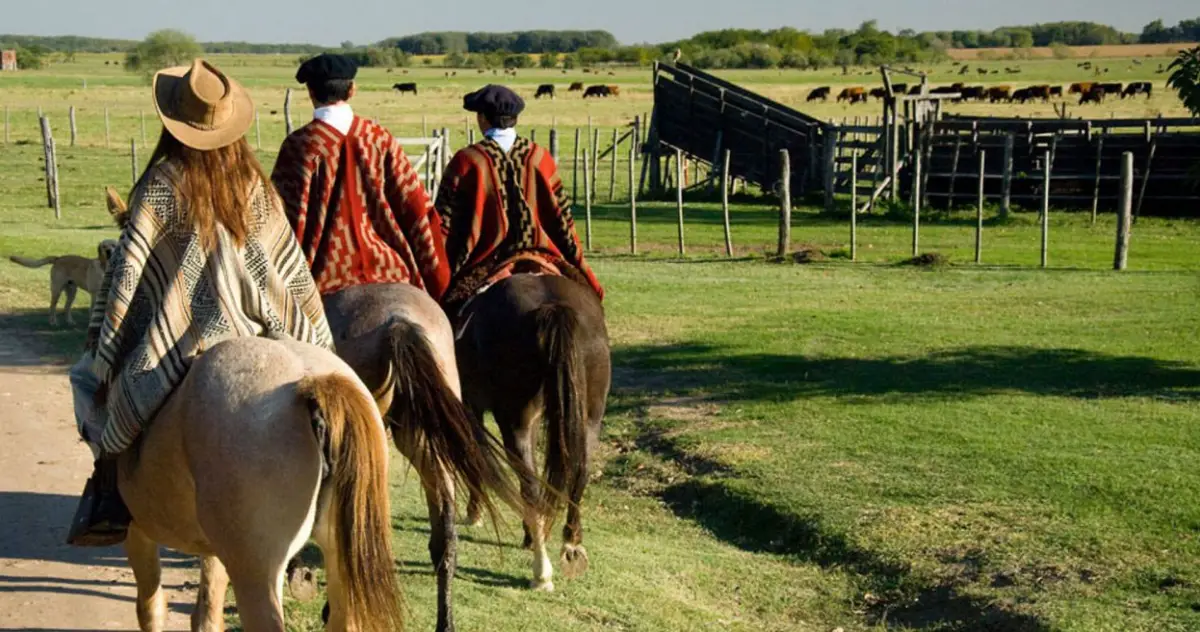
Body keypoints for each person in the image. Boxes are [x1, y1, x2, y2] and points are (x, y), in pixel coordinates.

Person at [67, 59, 334, 547]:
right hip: (259, 326)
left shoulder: (161, 184)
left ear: (175, 123)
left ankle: (107, 493)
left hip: (176, 337)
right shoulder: (254, 185)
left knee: (86, 378)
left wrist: (107, 344)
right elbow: (286, 268)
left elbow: (126, 280)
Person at [272, 53, 450, 299]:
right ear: (352, 90)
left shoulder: (300, 145)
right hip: (389, 267)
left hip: (324, 276)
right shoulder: (379, 138)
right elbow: (416, 205)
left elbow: (281, 218)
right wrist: (435, 274)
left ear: (311, 93)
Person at [434, 84, 603, 318]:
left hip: (487, 259)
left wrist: (438, 272)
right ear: (514, 118)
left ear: (482, 118)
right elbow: (562, 219)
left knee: (446, 313)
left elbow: (445, 222)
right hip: (541, 252)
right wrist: (580, 267)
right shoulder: (540, 158)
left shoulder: (467, 161)